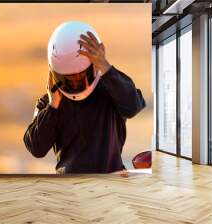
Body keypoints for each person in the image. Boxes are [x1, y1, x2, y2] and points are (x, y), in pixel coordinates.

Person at [23, 21, 146, 174]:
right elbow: (36, 148)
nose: (74, 84)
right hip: (70, 189)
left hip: (111, 183)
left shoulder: (111, 89)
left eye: (80, 77)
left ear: (95, 66)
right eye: (67, 79)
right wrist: (52, 107)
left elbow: (133, 106)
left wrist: (106, 67)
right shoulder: (48, 102)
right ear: (53, 74)